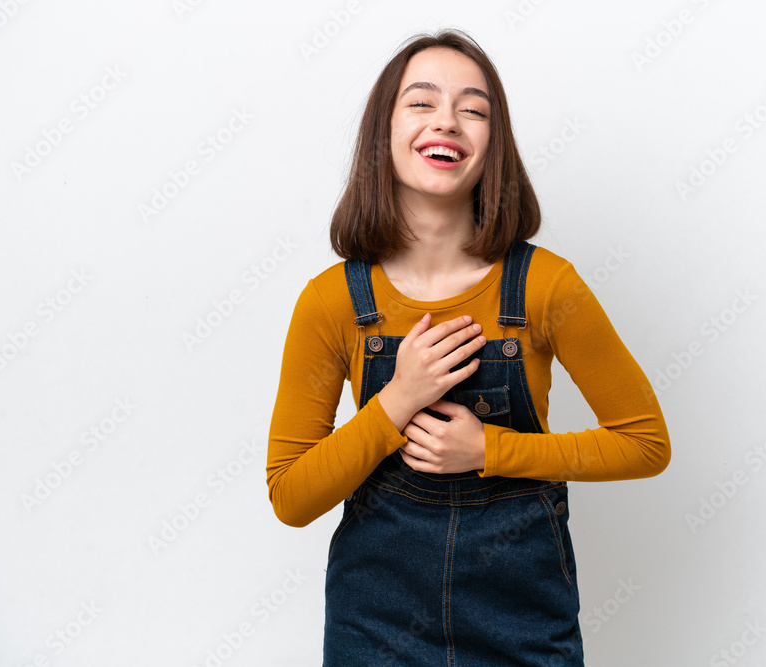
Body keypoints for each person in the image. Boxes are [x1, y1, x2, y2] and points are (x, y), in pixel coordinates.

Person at [266, 28, 671, 666]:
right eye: (422, 102)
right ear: (384, 131)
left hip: (521, 619)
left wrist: (490, 450)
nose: (448, 122)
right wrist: (396, 401)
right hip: (376, 627)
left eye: (474, 109)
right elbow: (291, 496)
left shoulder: (545, 285)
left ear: (493, 146)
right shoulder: (332, 302)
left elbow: (646, 443)